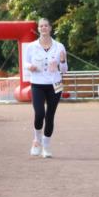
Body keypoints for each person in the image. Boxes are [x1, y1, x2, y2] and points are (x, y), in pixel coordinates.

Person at [23, 17, 68, 159]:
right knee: (39, 113)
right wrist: (30, 66)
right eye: (41, 26)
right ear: (38, 29)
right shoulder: (31, 46)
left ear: (50, 28)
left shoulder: (59, 46)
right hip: (38, 83)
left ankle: (46, 145)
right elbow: (25, 62)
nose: (43, 28)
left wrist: (62, 61)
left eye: (46, 26)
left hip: (56, 84)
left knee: (50, 116)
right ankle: (36, 140)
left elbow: (65, 70)